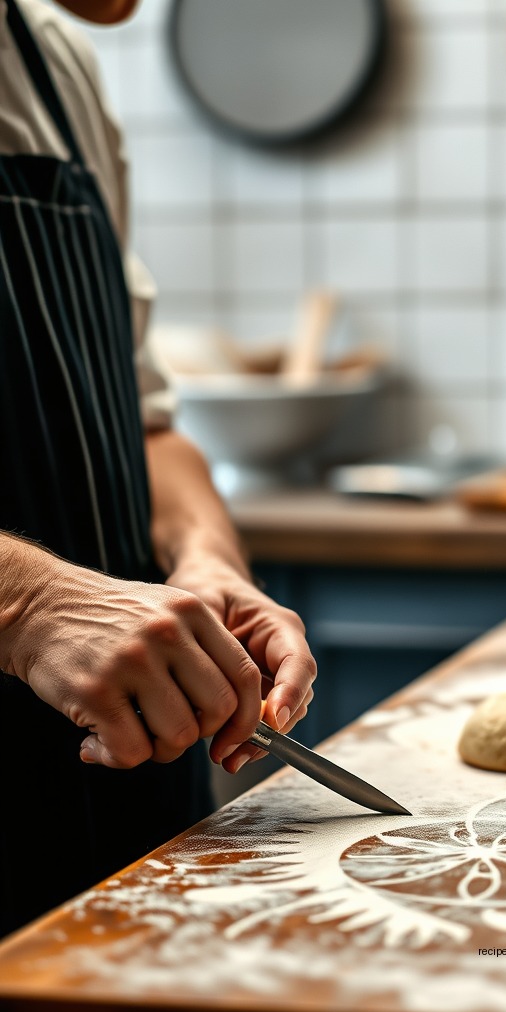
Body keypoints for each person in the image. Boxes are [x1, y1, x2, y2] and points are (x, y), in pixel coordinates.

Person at [0, 0, 317, 935]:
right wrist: (26, 603)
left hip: (119, 802)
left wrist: (209, 558)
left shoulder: (55, 70)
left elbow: (143, 422)